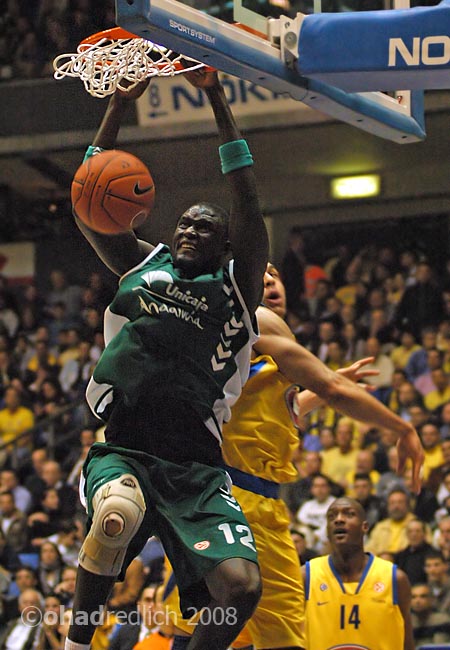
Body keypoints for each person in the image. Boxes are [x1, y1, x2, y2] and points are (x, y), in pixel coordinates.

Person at [66, 68, 269, 650]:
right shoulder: (141, 262)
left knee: (241, 588)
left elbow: (248, 200)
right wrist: (116, 109)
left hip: (196, 465)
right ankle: (76, 644)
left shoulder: (237, 287)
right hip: (126, 442)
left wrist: (216, 96)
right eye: (183, 223)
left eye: (203, 229)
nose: (188, 231)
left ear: (225, 246)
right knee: (116, 518)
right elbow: (88, 199)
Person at [166, 262, 423, 650]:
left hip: (221, 498)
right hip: (243, 500)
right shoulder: (256, 318)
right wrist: (402, 427)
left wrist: (331, 384)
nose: (270, 280)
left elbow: (282, 410)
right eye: (261, 273)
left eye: (276, 275)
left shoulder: (244, 341)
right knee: (280, 636)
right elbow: (333, 389)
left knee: (208, 625)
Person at [302, 497, 414, 650]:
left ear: (365, 527)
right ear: (327, 529)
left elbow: (407, 642)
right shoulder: (306, 576)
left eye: (349, 514)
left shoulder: (395, 579)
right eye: (332, 516)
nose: (339, 520)